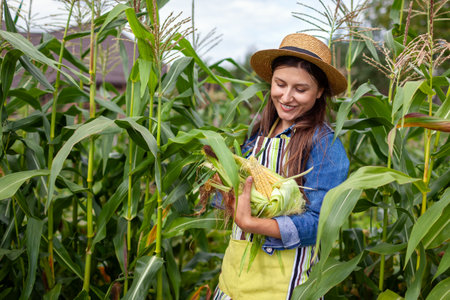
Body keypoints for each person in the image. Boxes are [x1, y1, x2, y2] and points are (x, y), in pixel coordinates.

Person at [212, 33, 350, 300]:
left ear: (319, 91)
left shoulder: (324, 144)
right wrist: (221, 187)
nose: (287, 97)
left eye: (300, 89)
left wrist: (252, 223)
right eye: (280, 84)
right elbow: (232, 194)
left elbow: (320, 223)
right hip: (234, 278)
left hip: (285, 286)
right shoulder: (256, 137)